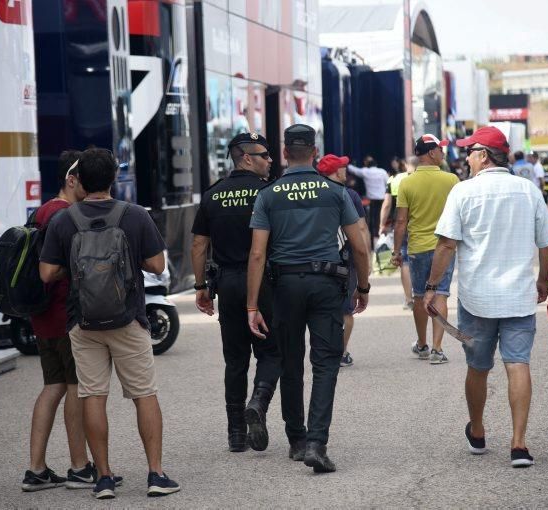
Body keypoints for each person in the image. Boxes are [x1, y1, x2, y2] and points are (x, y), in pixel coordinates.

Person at [40, 148, 180, 500]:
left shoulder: (63, 220)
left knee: (92, 396)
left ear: (80, 181)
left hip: (83, 322)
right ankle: (156, 474)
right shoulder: (134, 216)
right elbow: (157, 264)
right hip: (128, 319)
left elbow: (47, 273)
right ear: (114, 179)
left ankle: (103, 477)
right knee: (144, 394)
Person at [425, 126, 548, 468]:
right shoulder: (528, 191)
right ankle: (519, 445)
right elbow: (546, 244)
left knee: (477, 367)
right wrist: (543, 281)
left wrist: (432, 287)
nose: (466, 156)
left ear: (484, 155)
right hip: (518, 297)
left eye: (470, 150)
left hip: (477, 300)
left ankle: (479, 431)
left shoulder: (463, 192)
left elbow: (446, 244)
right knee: (518, 363)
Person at [247, 124, 370, 473]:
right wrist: (363, 288)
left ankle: (297, 440)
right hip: (327, 285)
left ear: (285, 153)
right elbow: (358, 244)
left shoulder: (269, 194)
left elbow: (257, 255)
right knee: (326, 363)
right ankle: (317, 443)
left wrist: (252, 305)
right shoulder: (335, 192)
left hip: (285, 285)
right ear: (315, 153)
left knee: (290, 361)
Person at [190, 132, 281, 453]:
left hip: (227, 283)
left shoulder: (213, 195)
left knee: (235, 359)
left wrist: (201, 287)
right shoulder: (268, 193)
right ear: (245, 157)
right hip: (264, 283)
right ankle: (259, 400)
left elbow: (199, 244)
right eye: (264, 155)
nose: (270, 160)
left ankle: (236, 434)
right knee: (271, 352)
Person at [23, 150, 105, 493]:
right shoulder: (64, 215)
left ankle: (36, 469)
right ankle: (79, 467)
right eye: (82, 177)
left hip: (43, 316)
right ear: (71, 180)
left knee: (53, 386)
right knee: (76, 388)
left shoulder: (42, 210)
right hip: (63, 313)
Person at [391, 134, 459, 364]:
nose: (443, 153)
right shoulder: (451, 180)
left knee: (420, 296)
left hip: (418, 248)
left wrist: (396, 251)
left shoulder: (406, 183)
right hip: (445, 247)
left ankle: (422, 344)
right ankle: (437, 350)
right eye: (440, 149)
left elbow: (401, 221)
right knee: (440, 294)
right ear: (431, 152)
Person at [317, 154, 370, 368]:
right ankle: (341, 351)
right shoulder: (349, 195)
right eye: (342, 167)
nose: (345, 170)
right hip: (346, 259)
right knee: (346, 308)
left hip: (319, 259)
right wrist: (366, 258)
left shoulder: (315, 195)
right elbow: (362, 228)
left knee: (322, 308)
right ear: (336, 172)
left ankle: (324, 351)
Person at [380, 157, 417, 309]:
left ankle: (409, 300)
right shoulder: (422, 179)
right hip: (420, 225)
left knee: (405, 262)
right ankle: (425, 296)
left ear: (406, 165)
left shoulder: (394, 179)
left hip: (401, 225)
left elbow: (387, 204)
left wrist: (382, 224)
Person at [347, 155, 389, 248]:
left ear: (367, 165)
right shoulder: (382, 172)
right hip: (382, 199)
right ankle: (381, 240)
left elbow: (352, 169)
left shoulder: (365, 172)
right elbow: (387, 182)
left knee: (372, 221)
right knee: (381, 219)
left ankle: (372, 241)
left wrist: (348, 163)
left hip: (371, 201)